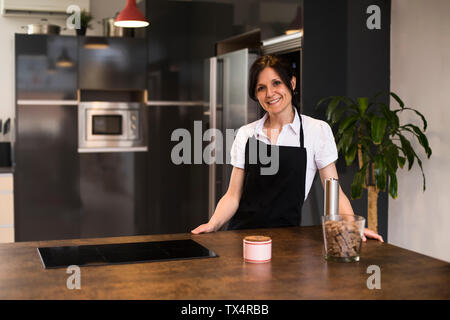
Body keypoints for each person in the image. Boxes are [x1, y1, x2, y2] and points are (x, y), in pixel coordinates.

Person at [192, 55, 383, 242]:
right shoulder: (246, 134)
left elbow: (333, 190)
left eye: (276, 83)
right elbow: (233, 195)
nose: (270, 93)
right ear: (256, 94)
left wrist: (352, 226)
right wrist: (213, 224)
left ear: (292, 83)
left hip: (289, 240)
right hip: (245, 237)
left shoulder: (316, 130)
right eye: (261, 88)